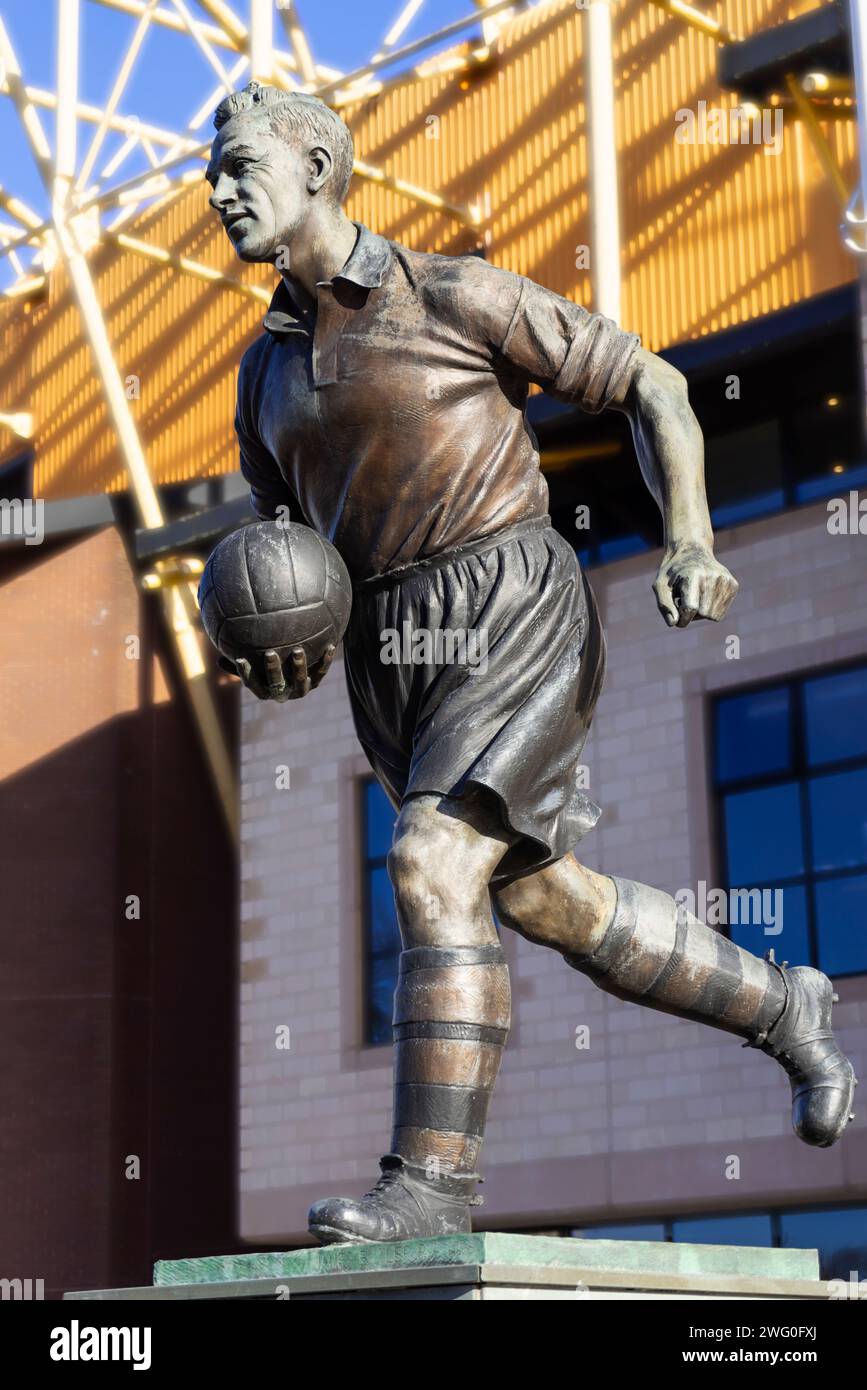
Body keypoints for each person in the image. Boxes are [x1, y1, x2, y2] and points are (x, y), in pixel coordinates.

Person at [207, 81, 856, 1245]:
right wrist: (275, 649)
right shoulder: (262, 377)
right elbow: (282, 558)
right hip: (392, 654)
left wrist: (692, 537)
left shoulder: (448, 291)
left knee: (428, 859)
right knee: (550, 900)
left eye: (240, 167)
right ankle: (782, 1002)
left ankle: (434, 1186)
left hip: (511, 603)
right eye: (211, 174)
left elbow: (651, 383)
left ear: (314, 165)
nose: (218, 192)